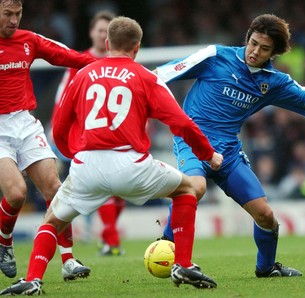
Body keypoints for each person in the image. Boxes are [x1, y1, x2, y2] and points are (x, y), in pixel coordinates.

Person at [0, 16, 223, 295]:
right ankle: (183, 264)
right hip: (131, 165)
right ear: (137, 48)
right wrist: (208, 154)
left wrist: (74, 153)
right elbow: (182, 123)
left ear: (106, 43)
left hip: (87, 166)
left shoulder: (82, 75)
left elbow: (59, 126)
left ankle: (32, 279)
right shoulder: (146, 77)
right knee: (187, 189)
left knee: (52, 222)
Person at [154, 13, 305, 278]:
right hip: (193, 140)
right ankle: (170, 246)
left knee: (265, 216)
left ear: (274, 53)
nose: (255, 51)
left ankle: (266, 268)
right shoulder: (215, 56)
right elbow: (160, 75)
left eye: (264, 49)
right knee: (196, 188)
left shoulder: (274, 82)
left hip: (228, 151)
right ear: (248, 37)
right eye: (253, 43)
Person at [0, 0, 96, 281]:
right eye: (7, 14)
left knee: (56, 188)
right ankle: (4, 241)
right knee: (16, 193)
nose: (14, 20)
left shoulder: (28, 40)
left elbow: (68, 56)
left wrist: (105, 65)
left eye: (18, 14)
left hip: (25, 123)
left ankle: (68, 260)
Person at [51, 10, 125, 256]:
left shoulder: (122, 61)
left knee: (122, 189)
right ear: (92, 32)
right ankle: (110, 239)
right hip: (89, 135)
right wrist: (56, 127)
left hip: (121, 132)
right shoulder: (79, 61)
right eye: (100, 29)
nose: (103, 33)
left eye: (108, 30)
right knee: (103, 185)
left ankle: (108, 237)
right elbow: (63, 97)